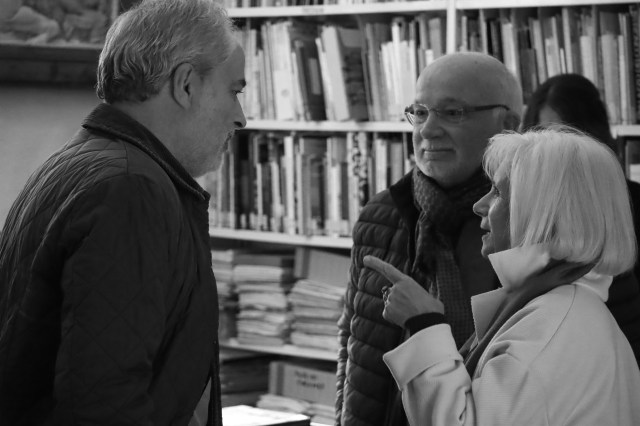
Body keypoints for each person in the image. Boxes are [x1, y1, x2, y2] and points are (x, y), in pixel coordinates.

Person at [0, 0, 246, 424]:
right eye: (234, 92)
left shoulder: (78, 163)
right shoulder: (131, 189)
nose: (240, 118)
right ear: (186, 85)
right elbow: (105, 402)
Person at [367, 128, 640, 425]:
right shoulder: (560, 308)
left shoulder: (552, 325)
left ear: (541, 211)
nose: (479, 206)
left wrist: (424, 324)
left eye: (497, 192)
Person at [336, 52, 523, 426]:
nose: (427, 130)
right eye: (420, 112)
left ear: (508, 124)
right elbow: (354, 345)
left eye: (452, 113)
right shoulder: (382, 213)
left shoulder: (533, 218)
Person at [521, 73, 640, 363]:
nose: (552, 147)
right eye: (543, 134)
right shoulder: (527, 212)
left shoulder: (630, 200)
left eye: (566, 134)